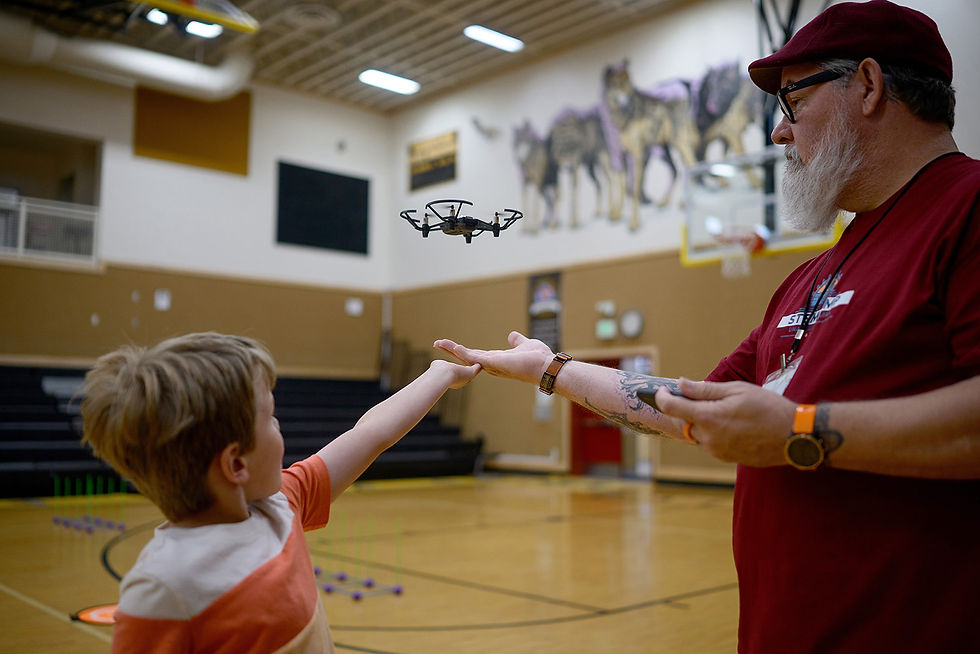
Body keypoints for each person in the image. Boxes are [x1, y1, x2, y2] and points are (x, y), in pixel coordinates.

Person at [435, 1, 980, 652]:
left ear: (867, 84)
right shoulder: (810, 276)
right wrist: (549, 368)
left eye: (792, 102)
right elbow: (689, 408)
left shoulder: (966, 209)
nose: (781, 134)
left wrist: (799, 431)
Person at [81, 332, 480, 653]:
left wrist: (440, 375)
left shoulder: (280, 506)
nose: (279, 426)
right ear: (236, 464)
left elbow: (371, 434)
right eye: (270, 418)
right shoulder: (161, 588)